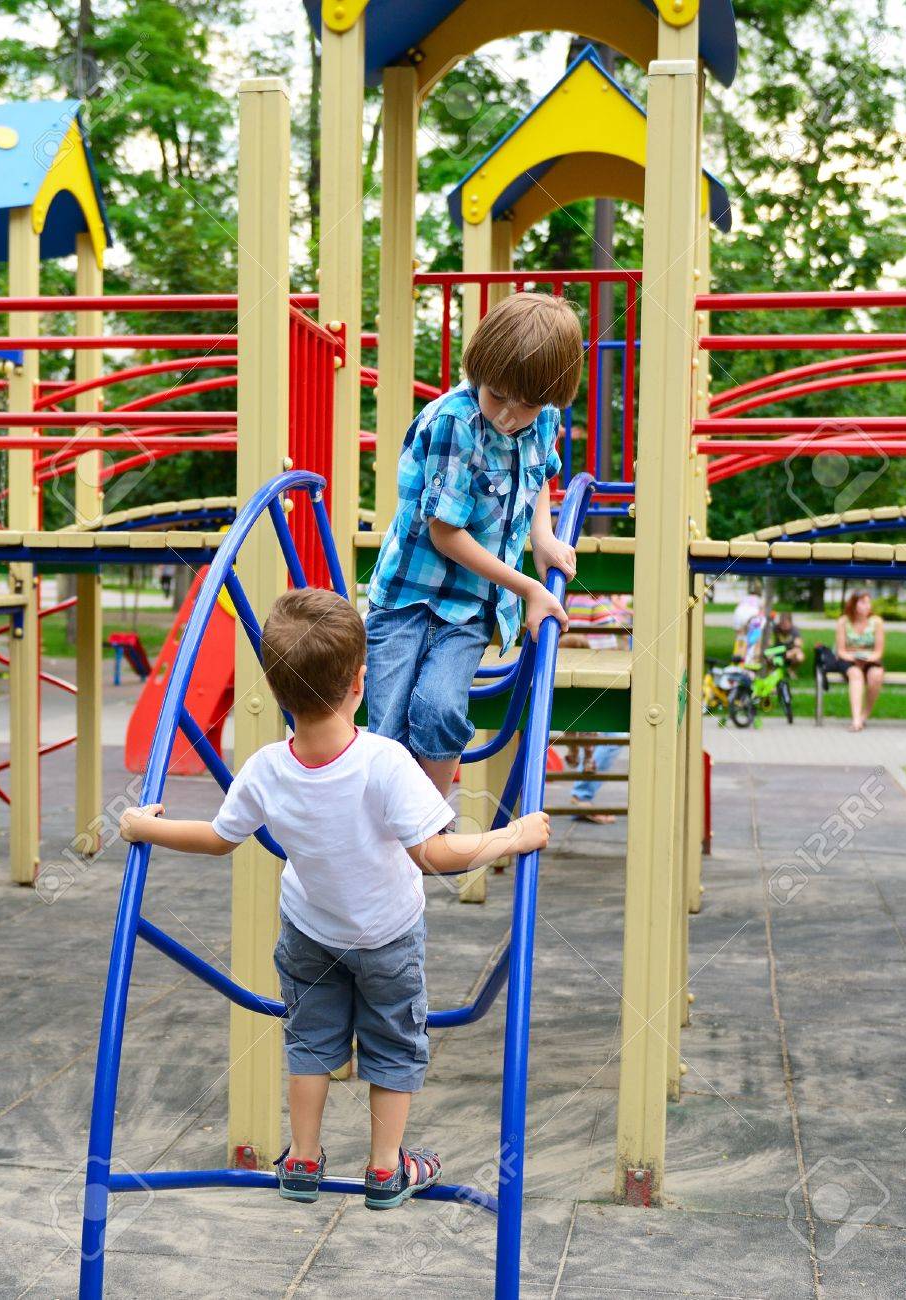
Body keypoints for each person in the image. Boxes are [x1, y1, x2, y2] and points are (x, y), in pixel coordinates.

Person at [118, 588, 550, 1208]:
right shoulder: (384, 761)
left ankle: (301, 1160)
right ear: (359, 681)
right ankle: (384, 1169)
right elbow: (434, 855)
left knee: (311, 1040)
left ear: (272, 688)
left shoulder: (266, 768)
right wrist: (512, 835)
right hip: (387, 937)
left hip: (309, 933)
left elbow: (216, 839)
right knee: (394, 1044)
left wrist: (141, 826)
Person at [364, 292, 582, 796]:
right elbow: (445, 533)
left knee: (439, 708)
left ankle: (429, 823)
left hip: (470, 606)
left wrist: (543, 537)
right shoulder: (454, 423)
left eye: (525, 404)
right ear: (479, 368)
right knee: (388, 725)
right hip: (405, 598)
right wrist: (530, 586)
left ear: (549, 397)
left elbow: (540, 477)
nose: (508, 415)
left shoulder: (544, 419)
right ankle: (386, 832)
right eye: (498, 395)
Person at [563, 592, 632, 823]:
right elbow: (576, 641)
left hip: (606, 672)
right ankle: (581, 794)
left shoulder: (598, 598)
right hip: (593, 675)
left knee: (605, 735)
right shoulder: (584, 598)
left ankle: (582, 792)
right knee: (611, 736)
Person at [818, 589, 885, 731]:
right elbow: (841, 651)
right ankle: (855, 720)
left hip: (869, 658)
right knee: (855, 674)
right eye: (863, 603)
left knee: (876, 675)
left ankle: (864, 716)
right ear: (854, 604)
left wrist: (867, 659)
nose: (867, 606)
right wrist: (854, 659)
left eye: (868, 603)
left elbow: (878, 651)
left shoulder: (876, 622)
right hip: (847, 658)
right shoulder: (843, 621)